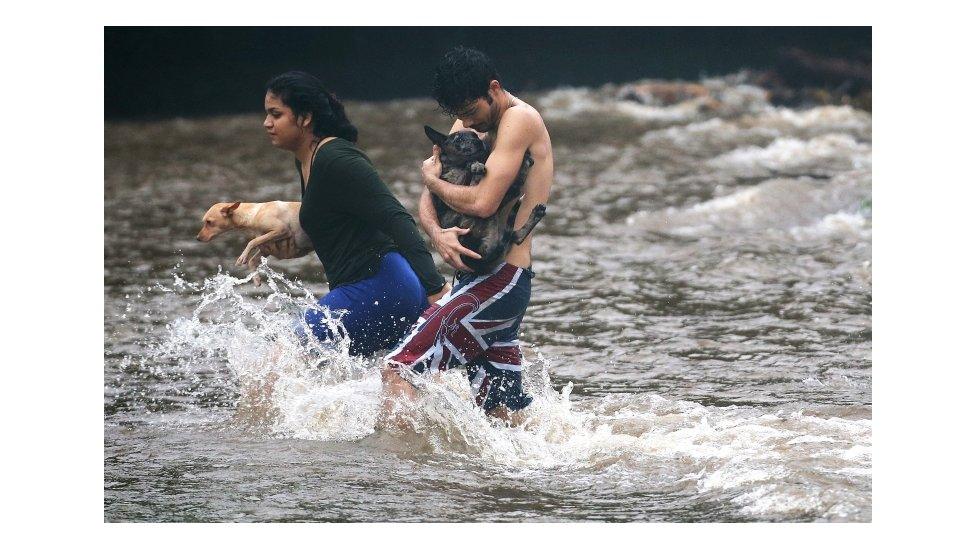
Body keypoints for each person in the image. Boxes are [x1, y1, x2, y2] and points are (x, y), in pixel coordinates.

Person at [383, 47, 555, 424]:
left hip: (502, 280)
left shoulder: (520, 119)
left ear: (493, 89)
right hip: (475, 281)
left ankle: (402, 481)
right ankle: (533, 479)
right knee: (500, 416)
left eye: (472, 112)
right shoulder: (466, 124)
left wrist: (429, 178)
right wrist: (437, 233)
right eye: (459, 116)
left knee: (398, 369)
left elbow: (482, 202)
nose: (466, 124)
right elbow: (429, 197)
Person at [263, 71, 451, 357]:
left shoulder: (337, 158)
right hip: (375, 290)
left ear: (304, 117)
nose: (267, 123)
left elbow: (396, 218)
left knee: (278, 355)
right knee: (385, 388)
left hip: (383, 286)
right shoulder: (306, 161)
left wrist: (435, 288)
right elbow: (342, 224)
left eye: (276, 114)